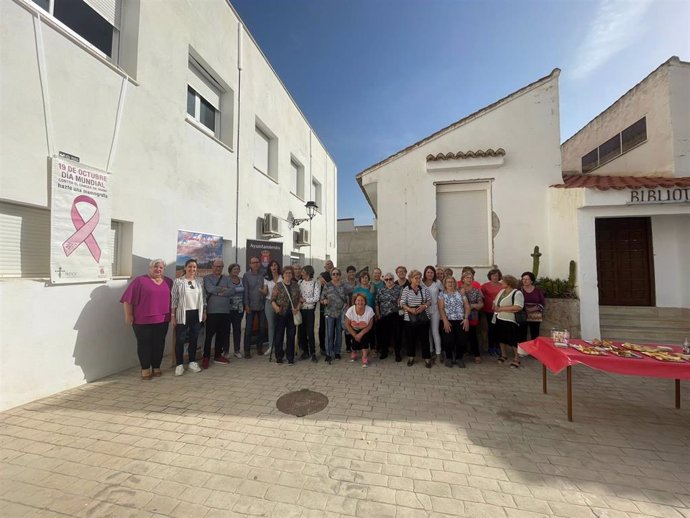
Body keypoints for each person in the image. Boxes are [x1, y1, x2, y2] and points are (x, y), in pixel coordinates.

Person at [120, 259, 173, 380]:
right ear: (150, 268)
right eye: (155, 267)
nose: (158, 269)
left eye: (161, 267)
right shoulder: (140, 281)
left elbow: (173, 300)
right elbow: (128, 300)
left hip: (163, 319)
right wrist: (128, 315)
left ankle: (156, 367)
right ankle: (145, 369)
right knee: (144, 344)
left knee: (159, 344)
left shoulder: (168, 281)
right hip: (142, 320)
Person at [171, 259, 206, 376]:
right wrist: (173, 316)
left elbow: (203, 298)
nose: (192, 269)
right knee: (180, 340)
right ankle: (179, 365)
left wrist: (204, 311)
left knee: (194, 339)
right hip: (182, 314)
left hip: (196, 314)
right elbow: (174, 300)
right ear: (185, 268)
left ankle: (192, 362)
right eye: (190, 267)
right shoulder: (178, 281)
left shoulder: (200, 281)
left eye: (194, 267)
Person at [203, 259, 232, 368]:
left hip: (225, 311)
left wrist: (218, 292)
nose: (218, 268)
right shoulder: (207, 278)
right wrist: (224, 290)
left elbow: (232, 290)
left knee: (221, 334)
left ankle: (217, 355)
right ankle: (206, 357)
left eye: (220, 266)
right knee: (209, 335)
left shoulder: (227, 278)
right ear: (212, 266)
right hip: (211, 311)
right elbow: (210, 289)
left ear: (223, 267)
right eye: (216, 266)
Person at [400, 270, 432, 368]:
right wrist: (410, 309)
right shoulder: (406, 289)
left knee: (425, 339)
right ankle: (411, 357)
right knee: (410, 338)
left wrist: (424, 307)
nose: (418, 279)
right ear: (411, 279)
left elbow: (429, 301)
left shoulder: (424, 289)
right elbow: (402, 303)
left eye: (419, 277)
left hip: (422, 317)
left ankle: (427, 358)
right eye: (416, 278)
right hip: (409, 318)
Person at [271, 266, 301, 364]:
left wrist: (297, 308)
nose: (288, 274)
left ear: (292, 275)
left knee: (291, 335)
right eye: (286, 273)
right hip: (280, 314)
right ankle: (279, 356)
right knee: (279, 336)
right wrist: (276, 307)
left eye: (290, 273)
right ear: (283, 274)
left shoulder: (295, 285)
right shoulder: (278, 285)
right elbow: (272, 300)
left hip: (292, 314)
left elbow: (300, 299)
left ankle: (290, 357)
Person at [492, 275, 524, 368]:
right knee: (501, 338)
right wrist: (494, 305)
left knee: (513, 340)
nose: (501, 282)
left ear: (509, 283)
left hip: (511, 320)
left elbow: (518, 307)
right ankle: (503, 355)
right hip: (499, 318)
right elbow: (496, 301)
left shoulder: (517, 293)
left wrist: (501, 308)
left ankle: (517, 358)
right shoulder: (502, 291)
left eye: (503, 281)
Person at [438, 276, 470, 368]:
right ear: (445, 284)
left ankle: (459, 358)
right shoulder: (441, 294)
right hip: (448, 320)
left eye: (452, 282)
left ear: (455, 283)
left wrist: (466, 318)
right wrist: (445, 321)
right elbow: (441, 308)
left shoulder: (460, 293)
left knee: (462, 340)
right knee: (448, 340)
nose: (450, 283)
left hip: (461, 320)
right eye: (448, 282)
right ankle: (448, 358)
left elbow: (467, 306)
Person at [320, 268, 349, 363]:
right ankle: (328, 353)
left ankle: (337, 352)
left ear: (340, 275)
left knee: (339, 334)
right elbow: (322, 298)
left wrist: (346, 305)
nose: (335, 275)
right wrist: (324, 301)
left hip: (340, 313)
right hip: (330, 313)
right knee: (329, 334)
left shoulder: (344, 286)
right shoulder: (327, 285)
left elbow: (347, 298)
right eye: (333, 274)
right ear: (331, 275)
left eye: (337, 274)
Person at [243, 256, 268, 358]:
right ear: (250, 264)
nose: (256, 264)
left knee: (262, 328)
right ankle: (247, 350)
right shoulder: (246, 275)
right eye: (253, 263)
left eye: (257, 262)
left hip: (262, 306)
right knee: (248, 329)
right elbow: (245, 291)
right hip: (250, 306)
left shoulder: (263, 274)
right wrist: (246, 305)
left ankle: (259, 348)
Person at [375, 272, 402, 361]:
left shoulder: (399, 289)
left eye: (390, 279)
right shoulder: (381, 290)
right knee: (384, 335)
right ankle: (384, 352)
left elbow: (402, 301)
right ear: (384, 281)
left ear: (393, 280)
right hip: (384, 315)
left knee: (396, 335)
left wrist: (400, 302)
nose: (388, 281)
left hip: (395, 315)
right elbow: (377, 303)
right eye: (386, 279)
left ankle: (397, 353)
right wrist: (378, 314)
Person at [459, 270, 484, 364]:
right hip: (461, 315)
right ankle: (461, 354)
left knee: (473, 335)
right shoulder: (459, 290)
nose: (469, 279)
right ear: (463, 279)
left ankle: (476, 355)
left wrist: (471, 306)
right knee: (461, 335)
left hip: (472, 316)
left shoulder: (476, 290)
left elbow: (481, 304)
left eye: (471, 278)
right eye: (467, 278)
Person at [345, 293, 375, 367]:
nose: (360, 302)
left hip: (365, 329)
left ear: (365, 302)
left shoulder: (369, 310)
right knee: (354, 342)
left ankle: (364, 357)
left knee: (364, 340)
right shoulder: (350, 310)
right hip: (353, 329)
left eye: (362, 300)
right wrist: (355, 335)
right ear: (355, 301)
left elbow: (370, 325)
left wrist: (361, 334)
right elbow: (347, 324)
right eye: (358, 300)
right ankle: (354, 353)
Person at [299, 265, 321, 362]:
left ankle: (313, 352)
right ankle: (305, 351)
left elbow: (316, 298)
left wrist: (305, 300)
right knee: (302, 331)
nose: (301, 273)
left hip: (310, 310)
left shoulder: (315, 283)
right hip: (301, 309)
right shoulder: (300, 282)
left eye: (303, 271)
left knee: (310, 332)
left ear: (308, 272)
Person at [481, 268, 503, 357]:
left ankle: (498, 347)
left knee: (499, 329)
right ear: (490, 276)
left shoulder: (502, 285)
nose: (495, 277)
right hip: (489, 310)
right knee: (491, 329)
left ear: (499, 276)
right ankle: (491, 347)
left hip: (500, 310)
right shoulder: (485, 286)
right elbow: (481, 297)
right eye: (493, 275)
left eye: (496, 275)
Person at [422, 265, 443, 359]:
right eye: (428, 272)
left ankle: (438, 352)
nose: (430, 274)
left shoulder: (437, 283)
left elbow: (443, 294)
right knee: (427, 332)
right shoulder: (421, 283)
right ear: (425, 273)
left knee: (435, 331)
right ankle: (430, 351)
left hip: (435, 310)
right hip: (424, 310)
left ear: (434, 274)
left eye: (431, 272)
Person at [263, 260, 281, 357]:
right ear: (269, 268)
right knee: (271, 325)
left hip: (280, 304)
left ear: (278, 267)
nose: (274, 267)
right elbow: (265, 292)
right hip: (269, 303)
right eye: (272, 265)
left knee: (280, 325)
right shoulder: (267, 279)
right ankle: (271, 346)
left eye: (275, 265)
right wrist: (261, 291)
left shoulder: (282, 278)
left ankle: (279, 345)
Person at [520, 271, 545, 341]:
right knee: (522, 334)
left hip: (535, 316)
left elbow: (542, 302)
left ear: (531, 281)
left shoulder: (537, 290)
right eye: (523, 279)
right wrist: (525, 309)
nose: (524, 281)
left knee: (535, 334)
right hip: (523, 315)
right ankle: (523, 351)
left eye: (526, 279)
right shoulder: (519, 290)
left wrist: (535, 308)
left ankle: (534, 351)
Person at [227, 263, 245, 358]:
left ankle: (237, 350)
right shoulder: (226, 280)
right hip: (228, 308)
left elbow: (245, 293)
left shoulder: (242, 280)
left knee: (237, 329)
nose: (236, 271)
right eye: (234, 269)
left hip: (239, 309)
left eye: (238, 269)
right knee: (226, 330)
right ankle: (225, 351)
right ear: (230, 270)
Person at [318, 260, 334, 355]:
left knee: (332, 327)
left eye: (331, 263)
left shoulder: (335, 275)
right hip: (324, 305)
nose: (329, 265)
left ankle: (330, 346)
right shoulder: (322, 275)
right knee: (323, 326)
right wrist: (319, 277)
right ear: (324, 267)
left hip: (334, 306)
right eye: (327, 264)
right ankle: (322, 347)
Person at [342, 265, 357, 351]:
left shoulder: (358, 283)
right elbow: (342, 295)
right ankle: (348, 346)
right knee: (347, 326)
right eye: (350, 272)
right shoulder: (344, 284)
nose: (351, 273)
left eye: (353, 271)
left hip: (356, 307)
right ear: (347, 273)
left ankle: (355, 344)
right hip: (347, 307)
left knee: (355, 325)